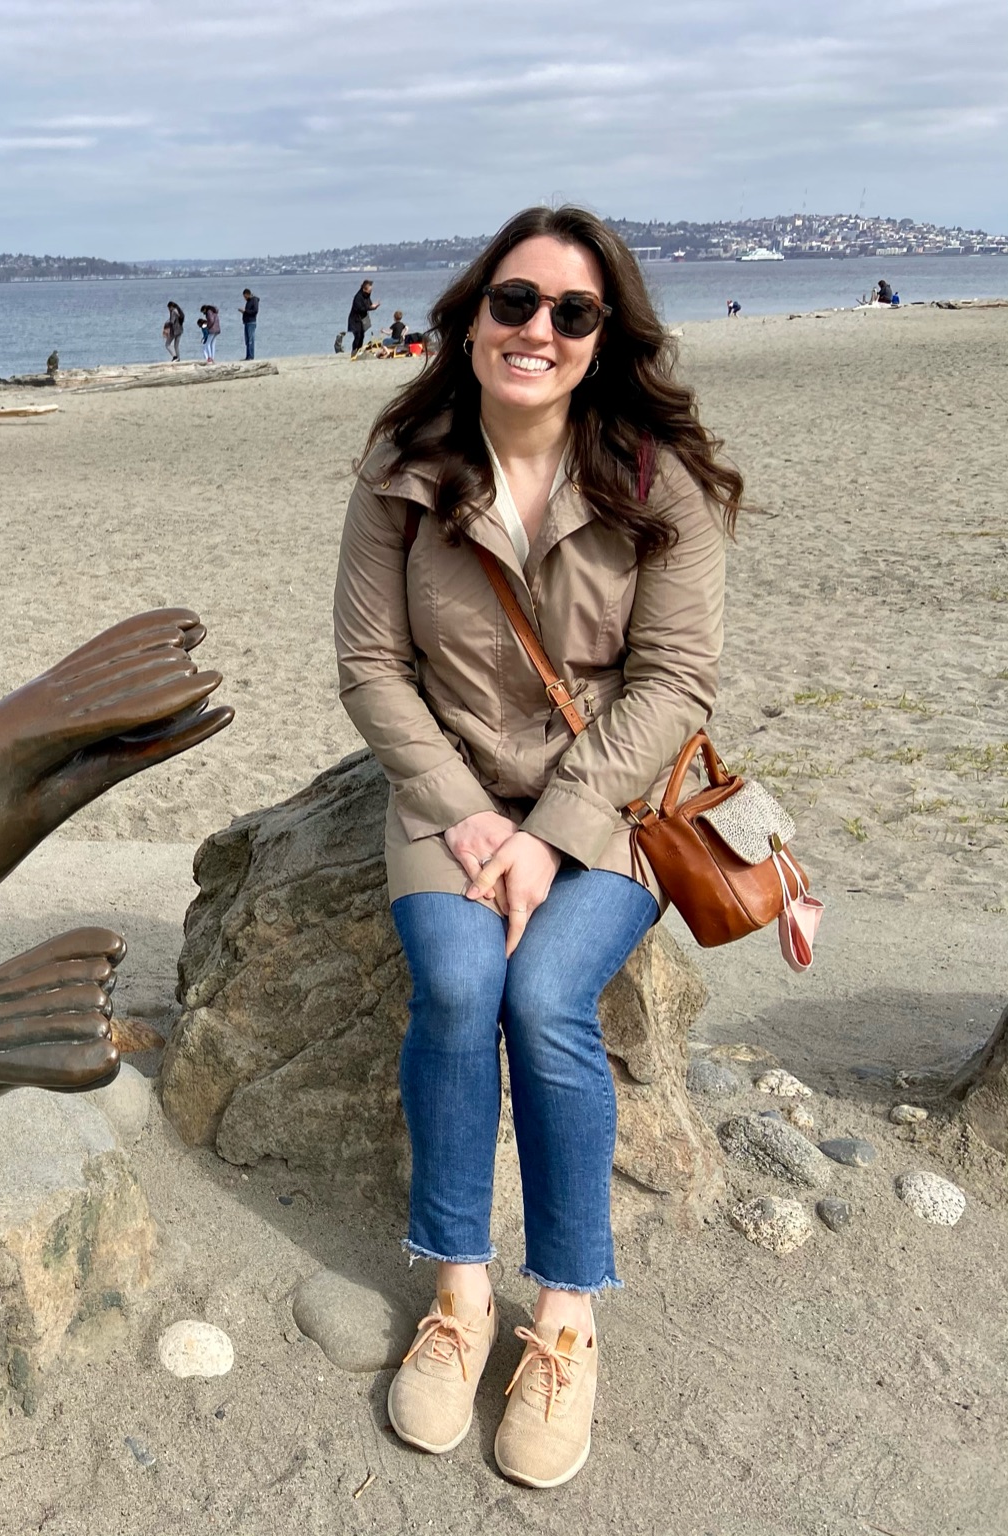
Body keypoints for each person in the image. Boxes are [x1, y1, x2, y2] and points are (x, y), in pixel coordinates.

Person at [332, 205, 742, 1490]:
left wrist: (553, 835)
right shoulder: (403, 469)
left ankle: (566, 1314)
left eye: (572, 312)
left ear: (603, 337)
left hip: (608, 804)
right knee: (461, 987)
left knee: (548, 996)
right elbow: (370, 665)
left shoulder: (658, 481)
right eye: (516, 302)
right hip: (446, 797)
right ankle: (460, 1292)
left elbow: (675, 683)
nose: (539, 331)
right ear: (471, 319)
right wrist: (466, 816)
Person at [348, 279, 379, 354]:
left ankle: (359, 351)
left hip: (361, 319)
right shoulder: (358, 297)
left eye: (371, 290)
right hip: (354, 319)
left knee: (362, 335)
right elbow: (361, 308)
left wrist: (373, 306)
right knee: (357, 335)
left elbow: (369, 305)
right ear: (364, 289)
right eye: (369, 290)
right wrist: (371, 307)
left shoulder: (367, 295)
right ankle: (354, 351)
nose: (370, 291)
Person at [241, 289, 260, 360]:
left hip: (251, 322)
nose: (244, 298)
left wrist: (246, 311)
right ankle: (248, 356)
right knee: (247, 340)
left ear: (248, 294)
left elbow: (255, 311)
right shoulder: (248, 301)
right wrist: (244, 312)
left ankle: (251, 356)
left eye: (245, 296)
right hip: (246, 322)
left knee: (251, 340)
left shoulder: (254, 300)